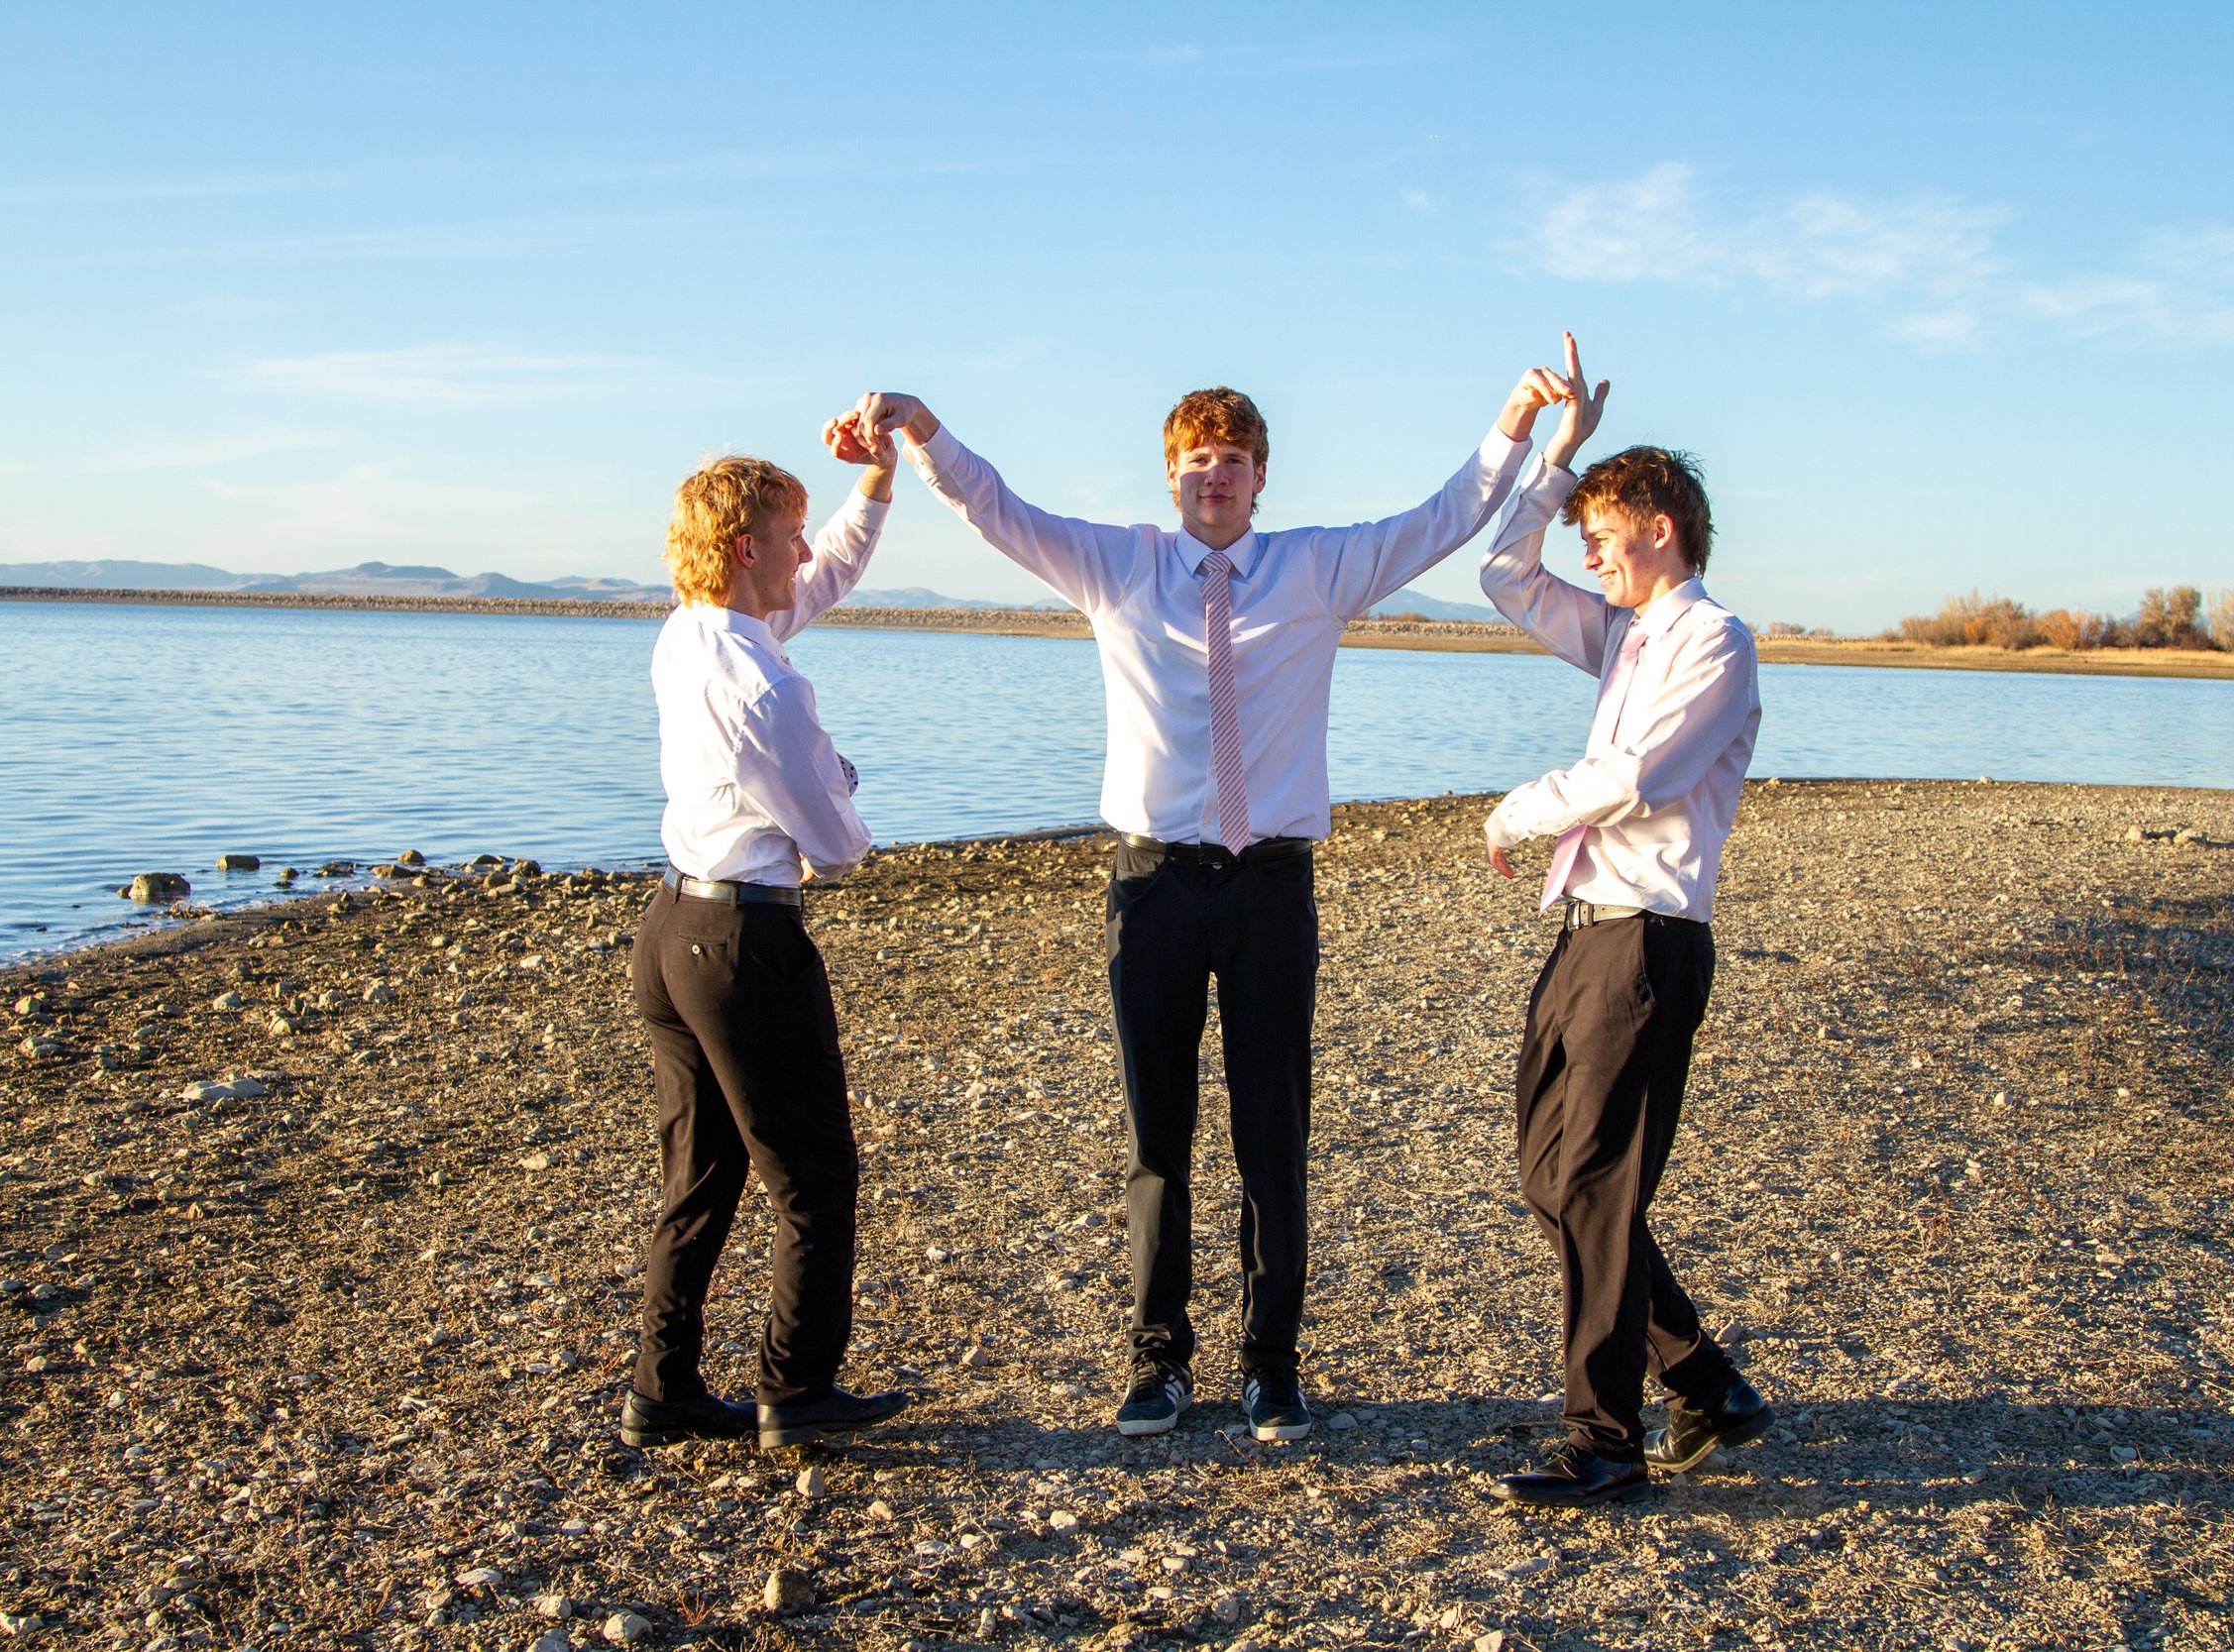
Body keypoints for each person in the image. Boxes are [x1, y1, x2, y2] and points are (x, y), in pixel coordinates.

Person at [836, 365, 1568, 1441]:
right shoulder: (1117, 565)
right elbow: (996, 506)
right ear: (1171, 479)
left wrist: (1513, 423)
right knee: (1156, 1133)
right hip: (1152, 885)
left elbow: (1445, 515)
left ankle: (1273, 1361)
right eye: (1194, 462)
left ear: (1259, 476)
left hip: (1271, 884)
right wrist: (924, 429)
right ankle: (1158, 1360)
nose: (1211, 477)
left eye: (1229, 461)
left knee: (1274, 1129)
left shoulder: (1314, 567)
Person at [1477, 337, 1769, 1504]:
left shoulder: (1711, 639)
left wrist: (1510, 813)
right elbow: (1504, 572)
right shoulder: (1624, 635)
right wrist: (1558, 461)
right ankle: (1704, 1377)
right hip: (1584, 932)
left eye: (1599, 523)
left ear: (1658, 522)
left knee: (1596, 1182)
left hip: (1647, 936)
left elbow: (1639, 773)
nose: (1583, 545)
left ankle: (1605, 1438)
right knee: (1553, 1178)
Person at [618, 423, 912, 1455]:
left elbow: (825, 571)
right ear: (747, 545)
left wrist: (877, 476)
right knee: (813, 1175)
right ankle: (796, 1388)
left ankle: (663, 1386)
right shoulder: (768, 685)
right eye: (789, 533)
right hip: (744, 941)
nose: (803, 550)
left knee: (699, 1171)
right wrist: (843, 784)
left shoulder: (689, 630)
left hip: (670, 929)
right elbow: (836, 846)